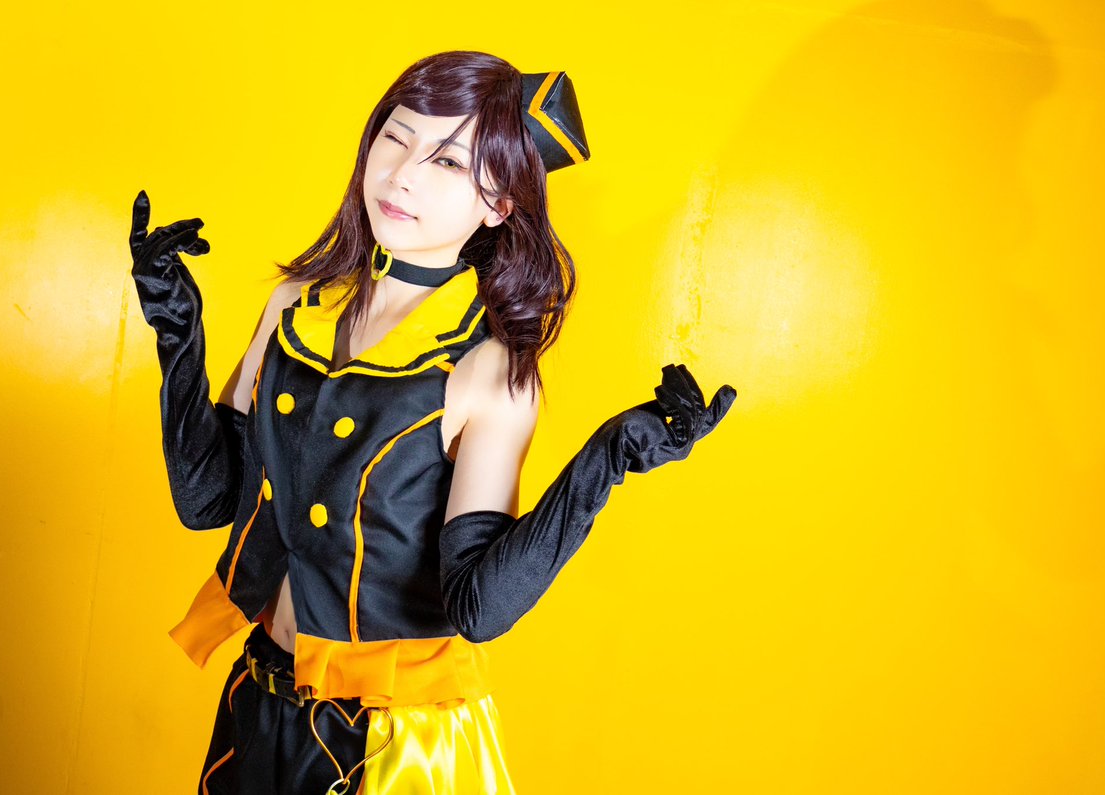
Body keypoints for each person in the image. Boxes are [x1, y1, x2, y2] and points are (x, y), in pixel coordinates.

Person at [128, 50, 736, 795]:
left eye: (447, 161)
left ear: (498, 203)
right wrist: (177, 332)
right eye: (395, 137)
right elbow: (208, 501)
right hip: (258, 706)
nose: (402, 174)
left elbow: (477, 607)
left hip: (395, 745)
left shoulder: (487, 371)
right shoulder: (294, 309)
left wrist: (608, 457)